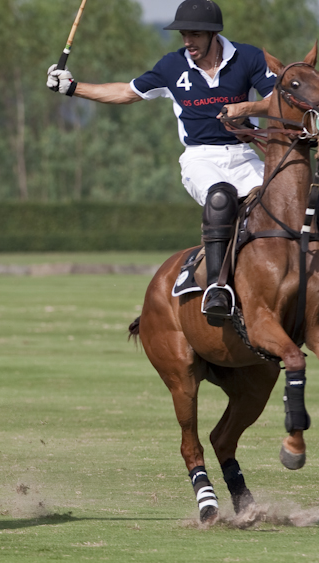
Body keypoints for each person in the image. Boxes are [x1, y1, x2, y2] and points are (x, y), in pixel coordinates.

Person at [45, 0, 275, 325]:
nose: (188, 41)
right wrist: (72, 87)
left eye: (195, 34)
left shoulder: (248, 57)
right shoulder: (172, 66)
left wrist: (247, 109)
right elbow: (126, 92)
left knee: (284, 202)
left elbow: (279, 100)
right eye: (183, 34)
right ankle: (216, 289)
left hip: (243, 155)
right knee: (220, 198)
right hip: (200, 157)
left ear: (213, 34)